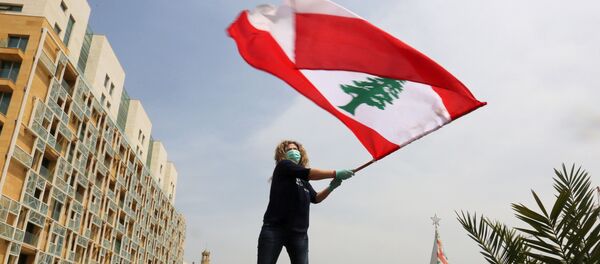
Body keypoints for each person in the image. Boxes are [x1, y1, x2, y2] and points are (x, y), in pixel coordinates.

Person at [257, 140, 354, 264]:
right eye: (289, 149)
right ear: (283, 154)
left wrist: (331, 187)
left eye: (296, 149)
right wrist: (335, 173)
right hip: (275, 229)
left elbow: (316, 198)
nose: (294, 152)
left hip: (299, 234)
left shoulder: (303, 181)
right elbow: (308, 173)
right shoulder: (284, 166)